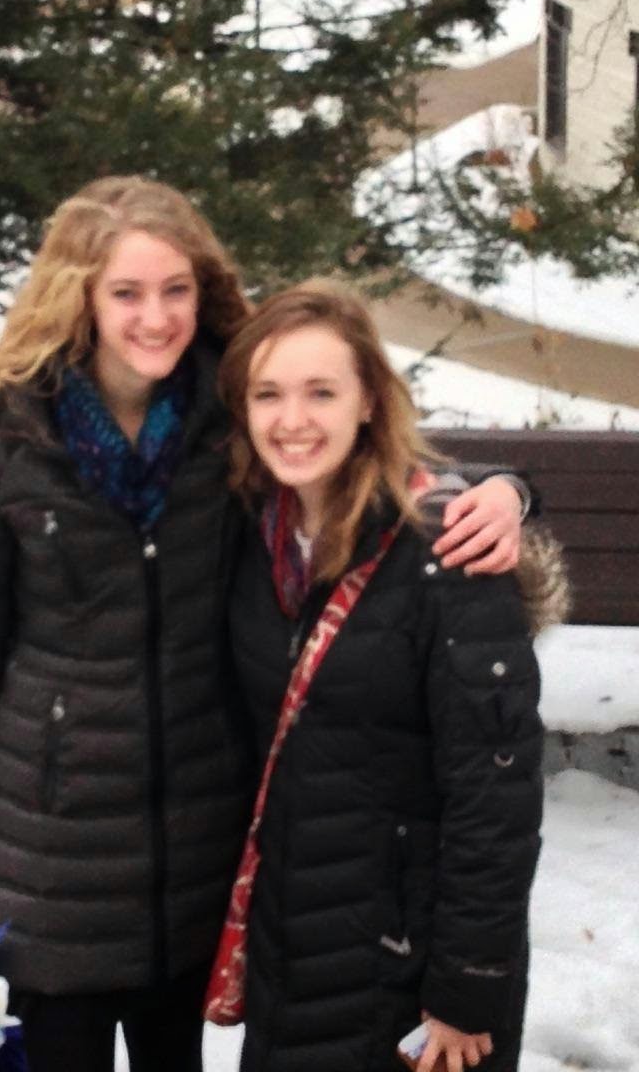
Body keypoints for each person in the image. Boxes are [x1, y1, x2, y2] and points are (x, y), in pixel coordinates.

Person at [0, 178, 528, 1072]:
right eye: (127, 292)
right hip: (58, 840)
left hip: (200, 829)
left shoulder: (226, 413)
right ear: (80, 296)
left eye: (176, 289)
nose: (156, 316)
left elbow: (364, 458)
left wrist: (506, 490)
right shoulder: (4, 438)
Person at [217, 281, 566, 1072]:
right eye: (268, 394)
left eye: (321, 392)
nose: (293, 419)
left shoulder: (450, 550)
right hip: (291, 949)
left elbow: (497, 794)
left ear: (369, 400)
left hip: (409, 968)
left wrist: (469, 986)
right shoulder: (254, 537)